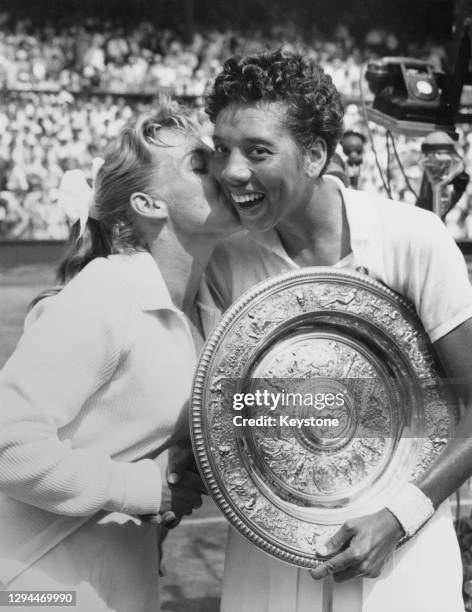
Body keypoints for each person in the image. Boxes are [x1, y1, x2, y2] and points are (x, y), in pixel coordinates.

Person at [202, 49, 472, 612]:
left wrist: (399, 516)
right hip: (267, 560)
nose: (231, 171)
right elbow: (227, 419)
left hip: (404, 560)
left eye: (257, 150)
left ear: (316, 154)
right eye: (222, 149)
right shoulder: (223, 261)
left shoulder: (412, 238)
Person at [0, 99, 239, 611]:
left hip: (117, 582)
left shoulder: (208, 311)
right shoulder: (105, 291)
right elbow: (8, 443)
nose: (223, 170)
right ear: (148, 204)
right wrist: (142, 488)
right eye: (199, 165)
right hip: (35, 586)